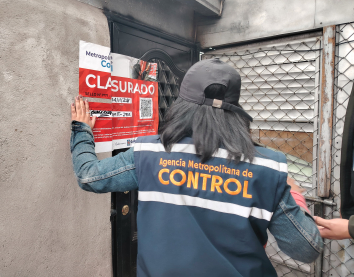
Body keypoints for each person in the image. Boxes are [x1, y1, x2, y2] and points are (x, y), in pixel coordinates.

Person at [70, 58, 323, 277]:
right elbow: (306, 247)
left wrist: (81, 129)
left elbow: (89, 176)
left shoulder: (149, 153)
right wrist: (292, 190)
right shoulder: (266, 167)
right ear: (235, 111)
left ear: (182, 105)